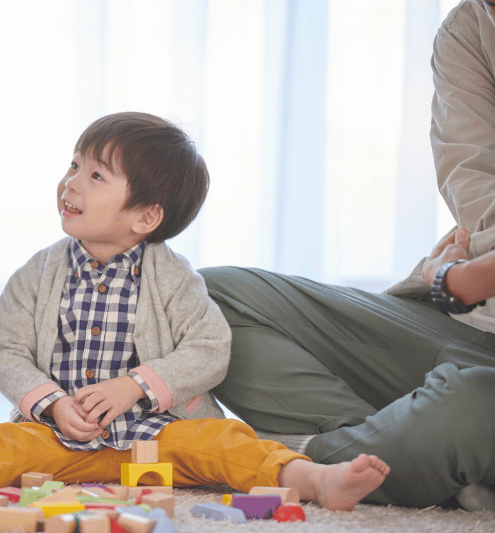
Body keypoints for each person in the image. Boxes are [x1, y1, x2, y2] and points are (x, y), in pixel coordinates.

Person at [0, 112, 390, 511]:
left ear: (145, 216)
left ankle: (315, 481)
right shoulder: (39, 272)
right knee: (2, 444)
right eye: (74, 165)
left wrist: (134, 386)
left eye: (96, 176)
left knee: (230, 443)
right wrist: (50, 405)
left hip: (162, 435)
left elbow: (210, 349)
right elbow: (2, 347)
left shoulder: (174, 279)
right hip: (63, 439)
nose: (71, 183)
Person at [200, 0, 495, 510]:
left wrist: (457, 280)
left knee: (471, 407)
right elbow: (475, 188)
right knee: (212, 297)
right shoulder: (467, 26)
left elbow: (462, 277)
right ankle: (401, 453)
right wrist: (453, 283)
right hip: (463, 322)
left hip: (470, 340)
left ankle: (339, 462)